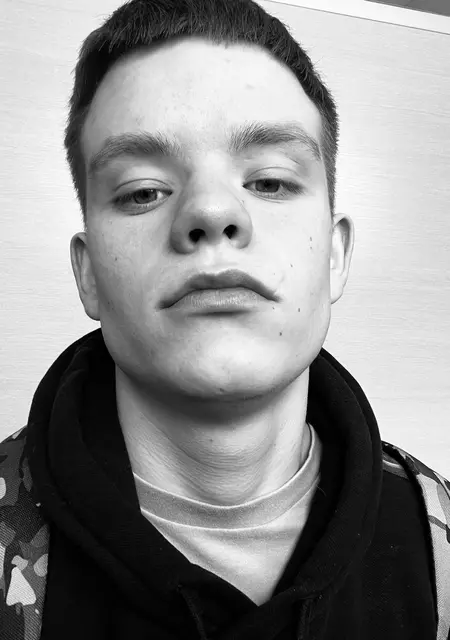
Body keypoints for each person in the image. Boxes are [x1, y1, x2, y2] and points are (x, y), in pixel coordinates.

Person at [0, 0, 449, 638]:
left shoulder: (440, 543)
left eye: (269, 182)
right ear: (89, 272)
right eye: (143, 191)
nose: (211, 211)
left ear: (336, 255)